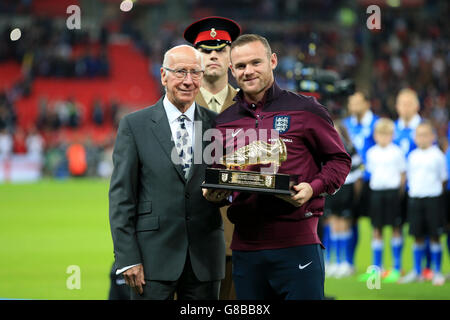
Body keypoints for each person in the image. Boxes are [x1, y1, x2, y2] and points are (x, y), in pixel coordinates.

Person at [209, 34, 351, 300]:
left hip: (297, 243)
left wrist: (313, 187)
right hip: (246, 248)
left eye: (255, 62)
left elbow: (339, 160)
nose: (248, 71)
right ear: (231, 70)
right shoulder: (224, 122)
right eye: (240, 66)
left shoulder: (306, 109)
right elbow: (222, 177)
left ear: (272, 61)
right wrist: (216, 195)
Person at [109, 45, 229, 300]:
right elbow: (122, 198)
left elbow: (228, 182)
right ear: (163, 75)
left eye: (195, 73)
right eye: (180, 72)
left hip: (205, 261)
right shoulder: (135, 125)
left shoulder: (219, 125)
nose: (188, 81)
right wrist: (127, 258)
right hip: (151, 260)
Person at [184, 16, 241, 300]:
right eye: (206, 50)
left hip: (241, 239)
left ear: (231, 55)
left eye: (221, 49)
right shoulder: (173, 109)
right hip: (187, 244)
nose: (214, 55)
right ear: (196, 56)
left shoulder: (253, 108)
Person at [399, 121, 448, 286]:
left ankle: (437, 272)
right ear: (415, 137)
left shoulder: (438, 156)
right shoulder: (412, 156)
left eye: (425, 134)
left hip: (433, 199)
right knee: (417, 236)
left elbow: (443, 179)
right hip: (415, 199)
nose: (422, 138)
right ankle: (417, 271)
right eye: (419, 135)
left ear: (432, 137)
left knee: (435, 236)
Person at [360, 118, 406, 283]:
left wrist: (398, 194)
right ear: (376, 135)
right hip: (377, 193)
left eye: (387, 134)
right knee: (377, 230)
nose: (383, 137)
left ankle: (396, 268)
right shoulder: (372, 152)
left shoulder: (397, 151)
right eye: (380, 134)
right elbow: (371, 172)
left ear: (392, 135)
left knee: (395, 228)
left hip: (393, 193)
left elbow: (402, 175)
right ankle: (377, 269)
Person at [342, 91, 379, 269]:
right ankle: (350, 261)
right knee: (350, 219)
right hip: (350, 180)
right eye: (352, 103)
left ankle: (376, 264)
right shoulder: (346, 125)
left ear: (367, 104)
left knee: (376, 222)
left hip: (372, 180)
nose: (354, 107)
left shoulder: (376, 123)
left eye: (358, 103)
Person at [324, 121, 363, 278]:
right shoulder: (324, 148)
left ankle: (345, 262)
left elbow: (358, 172)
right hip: (332, 189)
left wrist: (355, 194)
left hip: (346, 187)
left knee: (344, 225)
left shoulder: (351, 149)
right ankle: (334, 261)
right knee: (333, 224)